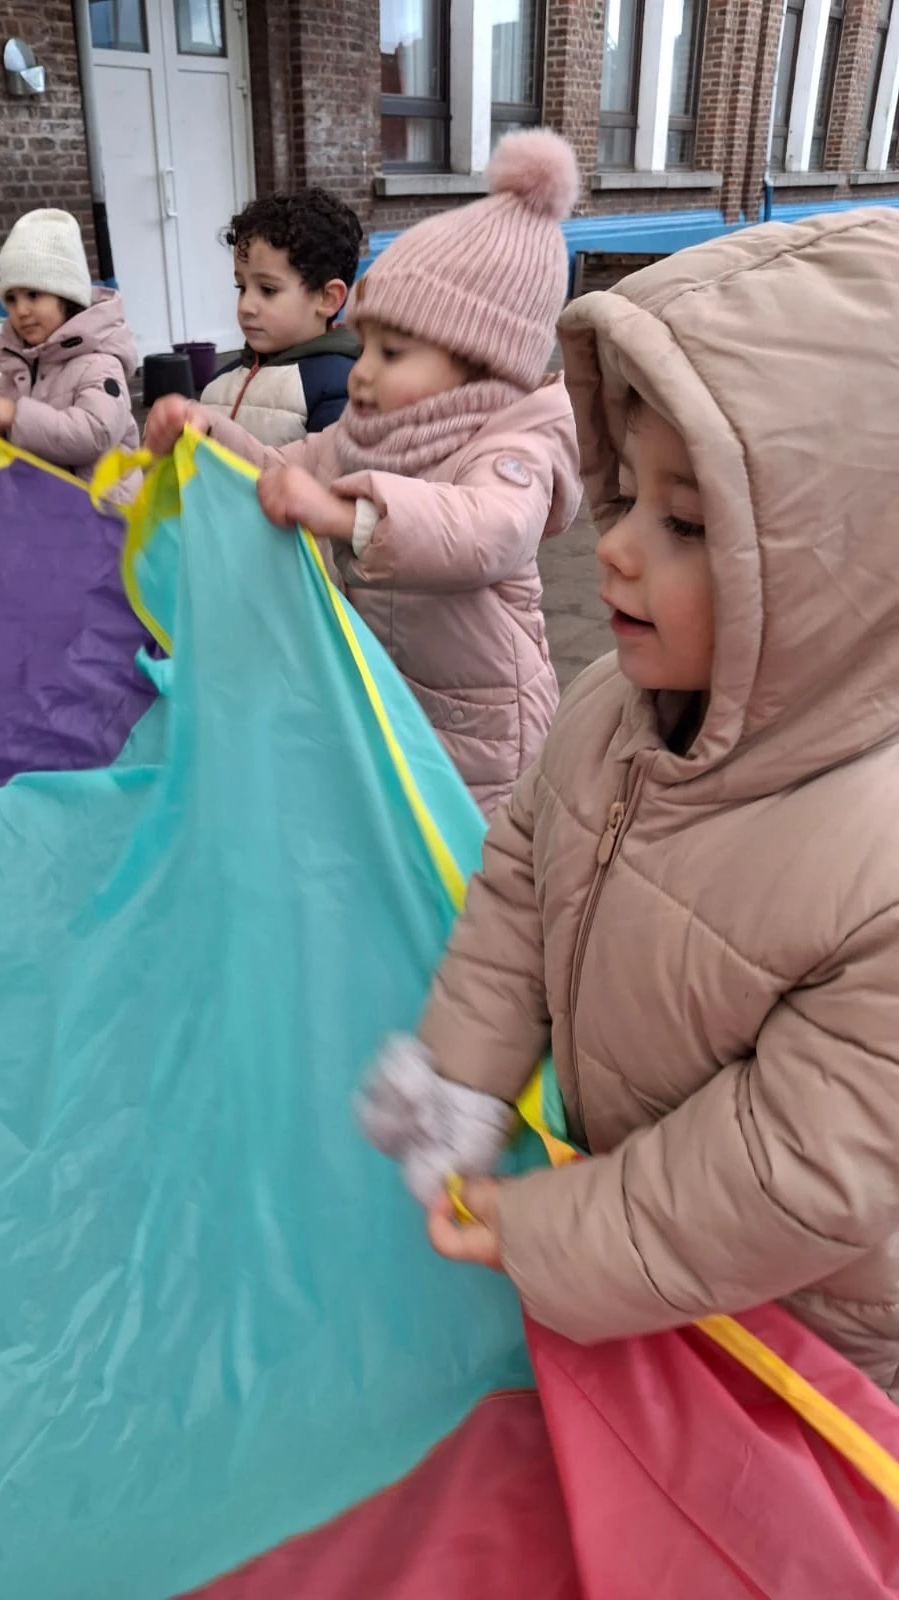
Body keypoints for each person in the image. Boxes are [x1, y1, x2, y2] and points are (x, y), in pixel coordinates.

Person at [358, 207, 899, 1401]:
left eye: (689, 524)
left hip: (799, 1344)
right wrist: (461, 1070)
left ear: (849, 575)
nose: (614, 548)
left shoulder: (878, 868)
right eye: (630, 495)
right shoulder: (612, 702)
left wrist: (554, 1233)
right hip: (640, 1268)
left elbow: (798, 1166)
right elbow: (520, 882)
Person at [145, 131, 583, 815]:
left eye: (394, 351)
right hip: (388, 699)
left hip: (484, 735)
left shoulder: (512, 446)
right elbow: (284, 472)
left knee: (471, 880)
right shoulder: (368, 432)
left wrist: (350, 517)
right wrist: (208, 440)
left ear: (483, 362)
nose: (364, 371)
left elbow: (492, 530)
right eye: (367, 345)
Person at [0, 208, 140, 491]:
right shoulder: (19, 365)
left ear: (66, 296)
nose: (21, 310)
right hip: (46, 512)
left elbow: (96, 433)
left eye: (34, 295)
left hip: (100, 515)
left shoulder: (100, 363)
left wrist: (17, 416)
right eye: (11, 299)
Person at [200, 187, 364, 447]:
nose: (246, 306)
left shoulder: (343, 387)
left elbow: (327, 482)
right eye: (241, 287)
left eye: (268, 290)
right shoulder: (219, 383)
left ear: (328, 298)